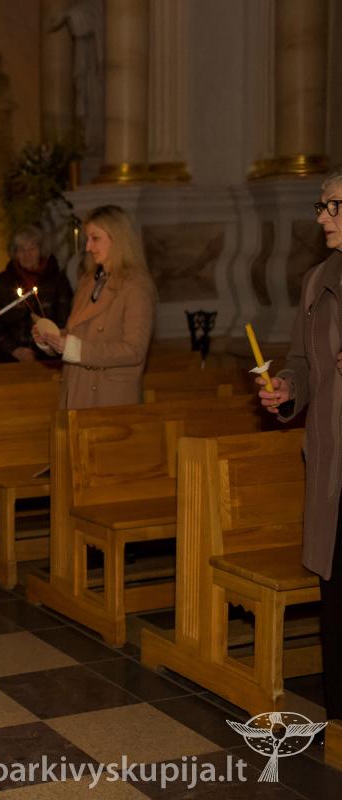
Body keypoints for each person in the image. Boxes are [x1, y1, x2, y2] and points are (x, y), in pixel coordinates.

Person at [257, 165, 342, 724]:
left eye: (334, 205)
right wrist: (289, 387)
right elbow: (302, 361)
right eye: (321, 205)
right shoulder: (317, 280)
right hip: (334, 458)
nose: (322, 217)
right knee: (336, 594)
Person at [32, 204, 155, 409]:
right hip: (78, 387)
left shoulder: (136, 286)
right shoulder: (89, 281)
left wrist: (73, 348)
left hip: (109, 397)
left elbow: (134, 350)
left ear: (118, 239)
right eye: (87, 239)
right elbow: (77, 332)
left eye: (95, 238)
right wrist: (51, 339)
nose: (88, 247)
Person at [0, 226, 74, 363]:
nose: (27, 254)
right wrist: (14, 350)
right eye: (21, 249)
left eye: (32, 249)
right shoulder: (2, 281)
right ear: (15, 253)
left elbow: (64, 321)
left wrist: (44, 346)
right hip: (8, 359)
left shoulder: (58, 281)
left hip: (48, 359)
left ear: (41, 250)